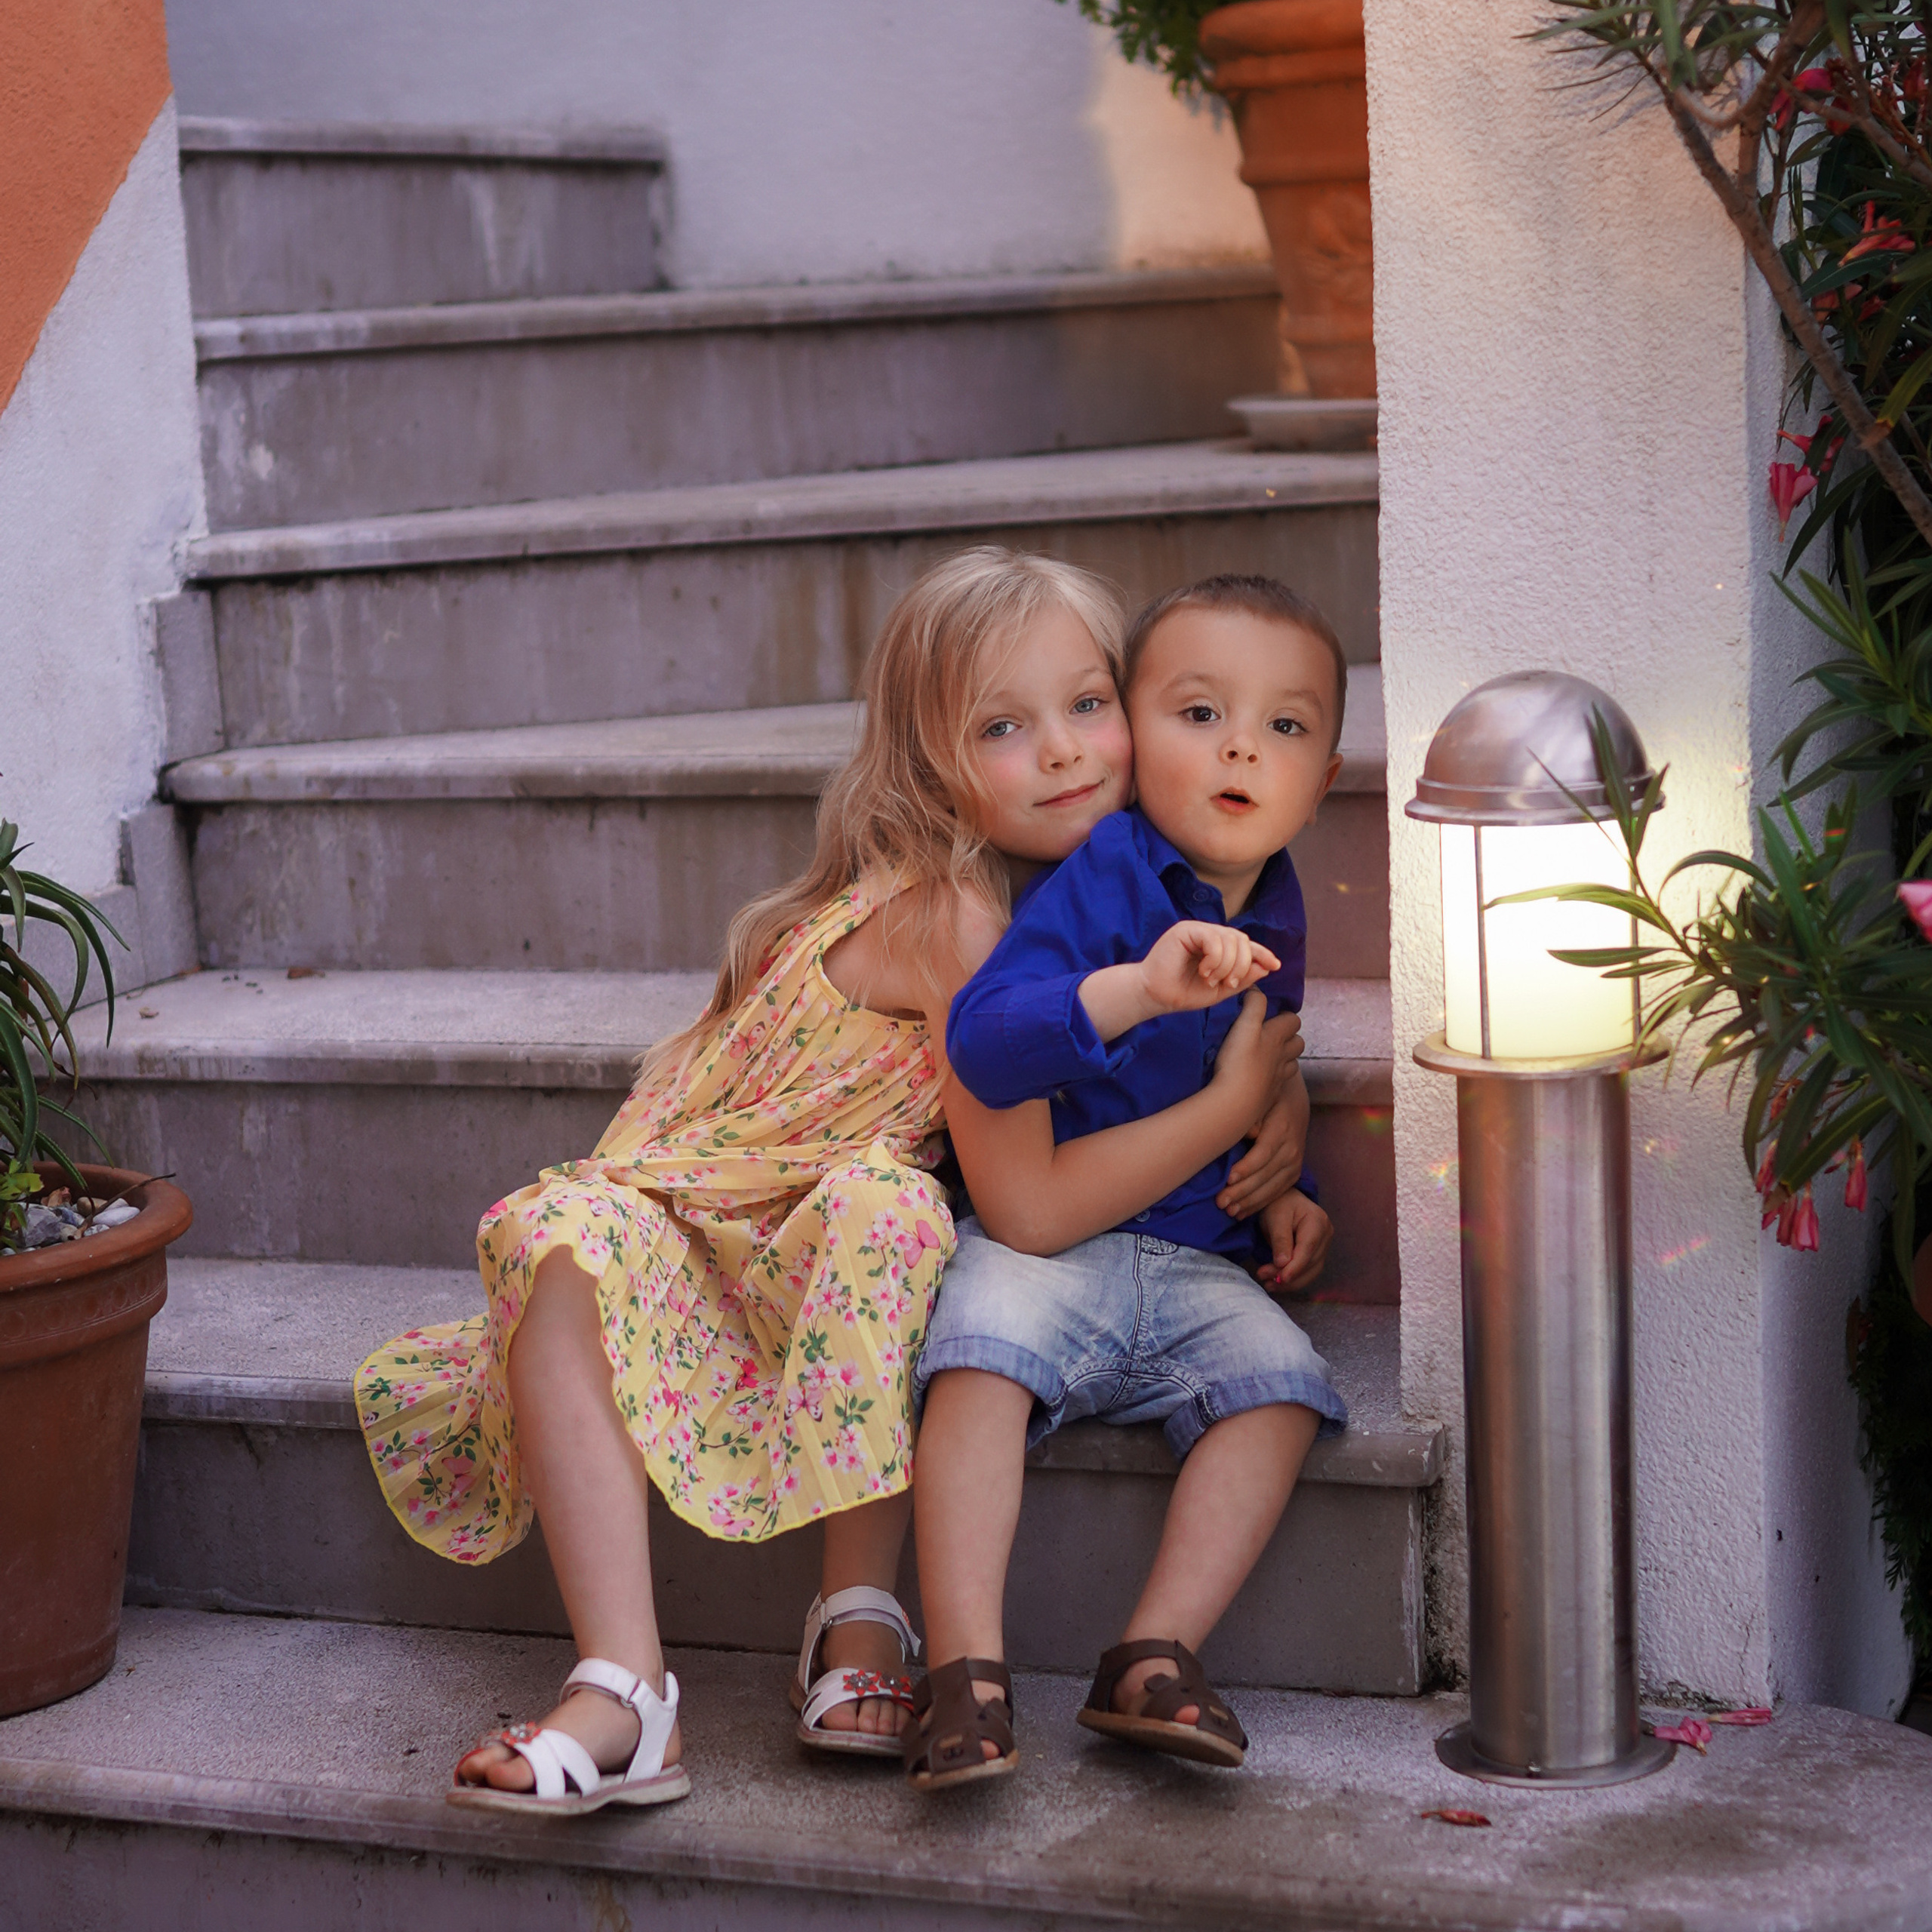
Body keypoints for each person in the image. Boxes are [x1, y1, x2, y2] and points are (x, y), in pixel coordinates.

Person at [352, 549, 1309, 1814]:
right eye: (1005, 728)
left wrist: (1280, 1113)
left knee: (886, 1209)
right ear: (932, 764)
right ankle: (623, 1682)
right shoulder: (961, 924)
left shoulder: (1109, 897)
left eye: (1088, 706)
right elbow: (1027, 1209)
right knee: (584, 1232)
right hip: (709, 1235)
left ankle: (852, 1620)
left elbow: (1207, 1020)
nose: (1070, 751)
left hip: (817, 1235)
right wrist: (1235, 1108)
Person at [904, 574, 1352, 1791]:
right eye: (1201, 714)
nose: (1244, 747)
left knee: (1285, 1389)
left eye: (1287, 727)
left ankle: (1155, 1654)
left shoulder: (1277, 896)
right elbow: (988, 1045)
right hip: (1047, 1252)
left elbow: (1264, 1056)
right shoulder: (1100, 877)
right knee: (979, 1361)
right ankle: (965, 1676)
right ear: (1138, 737)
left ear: (1324, 779)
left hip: (1193, 1256)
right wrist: (1141, 989)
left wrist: (1288, 1178)